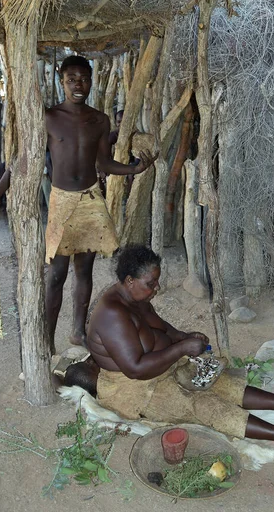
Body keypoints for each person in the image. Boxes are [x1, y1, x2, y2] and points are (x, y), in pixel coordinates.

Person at [65, 245, 274, 447]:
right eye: (150, 284)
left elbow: (158, 323)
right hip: (134, 390)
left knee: (222, 382)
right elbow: (135, 369)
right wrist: (181, 349)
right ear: (129, 280)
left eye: (157, 282)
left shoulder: (134, 296)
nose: (156, 289)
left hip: (159, 368)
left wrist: (181, 335)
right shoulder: (112, 314)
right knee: (203, 405)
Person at [45, 56, 157, 354]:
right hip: (62, 200)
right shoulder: (50, 117)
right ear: (62, 80)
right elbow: (24, 161)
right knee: (56, 274)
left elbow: (104, 163)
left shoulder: (99, 120)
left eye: (83, 79)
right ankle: (45, 342)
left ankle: (78, 333)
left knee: (85, 270)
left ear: (92, 80)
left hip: (91, 198)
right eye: (71, 79)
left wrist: (133, 169)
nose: (78, 85)